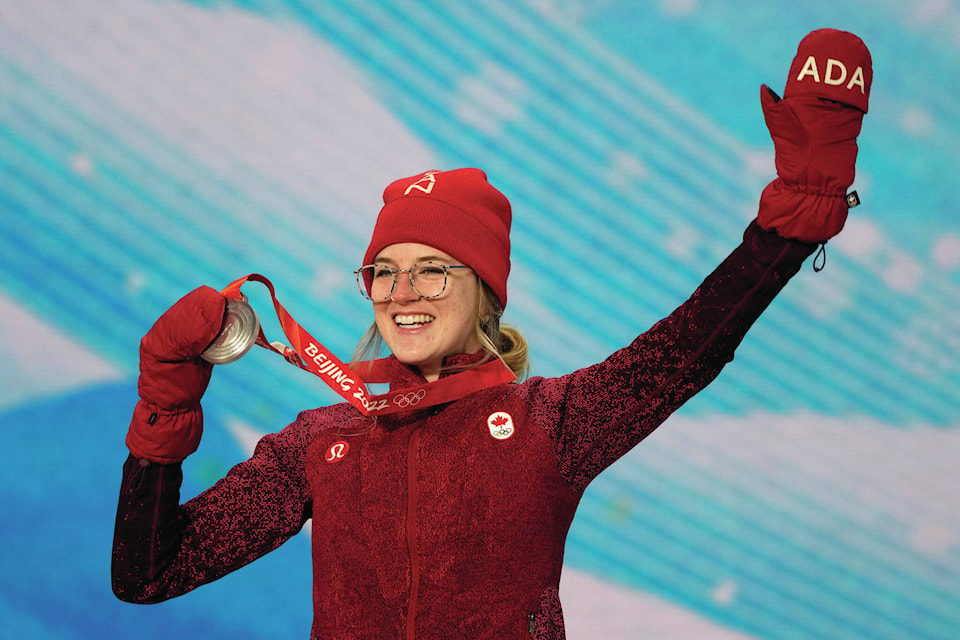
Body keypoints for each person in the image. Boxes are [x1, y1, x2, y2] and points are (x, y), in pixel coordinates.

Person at [112, 29, 872, 640]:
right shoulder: (318, 442)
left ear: (486, 291)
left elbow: (685, 351)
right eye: (384, 271)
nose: (403, 294)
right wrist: (164, 410)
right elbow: (150, 575)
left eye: (434, 270)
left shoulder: (555, 423)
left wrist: (792, 222)